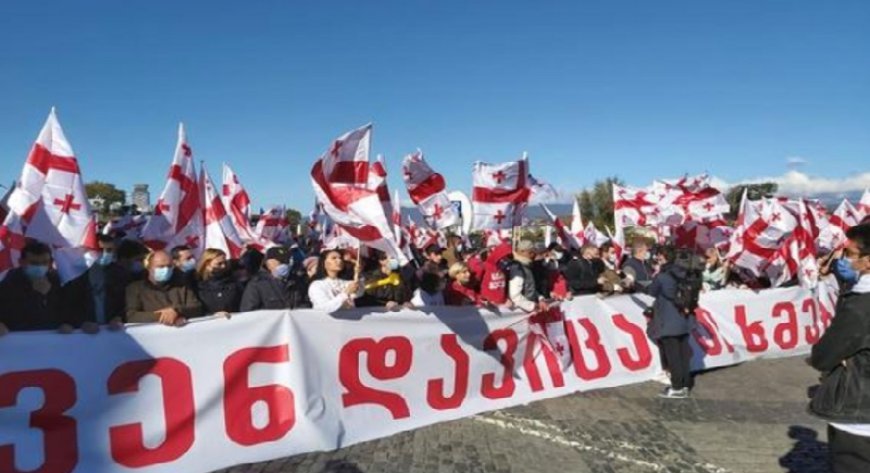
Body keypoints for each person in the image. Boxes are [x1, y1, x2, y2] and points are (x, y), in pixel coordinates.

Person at [809, 223, 870, 472]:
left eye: (851, 254)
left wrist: (843, 357)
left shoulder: (861, 305)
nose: (845, 259)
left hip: (859, 415)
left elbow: (823, 356)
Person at [647, 247, 701, 399]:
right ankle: (685, 383)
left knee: (673, 355)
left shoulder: (663, 276)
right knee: (683, 353)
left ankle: (677, 386)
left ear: (664, 258)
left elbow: (651, 291)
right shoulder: (687, 273)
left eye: (659, 257)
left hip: (668, 319)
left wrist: (656, 274)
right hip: (685, 318)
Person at [0, 241, 70, 334]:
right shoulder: (9, 283)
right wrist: (38, 295)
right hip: (20, 340)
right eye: (34, 263)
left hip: (52, 341)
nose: (40, 267)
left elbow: (66, 310)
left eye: (44, 262)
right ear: (21, 262)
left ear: (51, 263)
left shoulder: (59, 281)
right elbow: (16, 316)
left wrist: (69, 324)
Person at [63, 234, 128, 333]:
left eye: (109, 250)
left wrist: (118, 317)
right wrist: (81, 323)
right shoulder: (77, 273)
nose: (105, 253)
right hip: (85, 332)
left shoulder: (119, 273)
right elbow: (70, 305)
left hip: (111, 331)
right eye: (101, 250)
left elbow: (124, 303)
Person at [125, 250, 203, 325]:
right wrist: (164, 316)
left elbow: (197, 307)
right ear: (148, 267)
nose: (166, 270)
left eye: (169, 266)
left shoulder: (182, 286)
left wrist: (176, 311)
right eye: (161, 266)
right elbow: (131, 315)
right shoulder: (135, 288)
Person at [240, 246, 303, 311]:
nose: (285, 265)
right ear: (269, 263)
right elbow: (248, 312)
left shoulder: (297, 282)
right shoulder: (257, 285)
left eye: (286, 262)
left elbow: (305, 304)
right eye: (280, 262)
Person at [196, 248, 241, 316]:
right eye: (219, 264)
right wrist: (212, 315)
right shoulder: (197, 286)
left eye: (225, 263)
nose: (223, 266)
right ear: (207, 265)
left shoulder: (234, 283)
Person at [508, 240, 548, 313]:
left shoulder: (526, 266)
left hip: (529, 309)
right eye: (531, 252)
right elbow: (515, 295)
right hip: (521, 312)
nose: (533, 255)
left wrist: (540, 298)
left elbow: (529, 287)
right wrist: (532, 306)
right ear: (523, 251)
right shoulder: (517, 268)